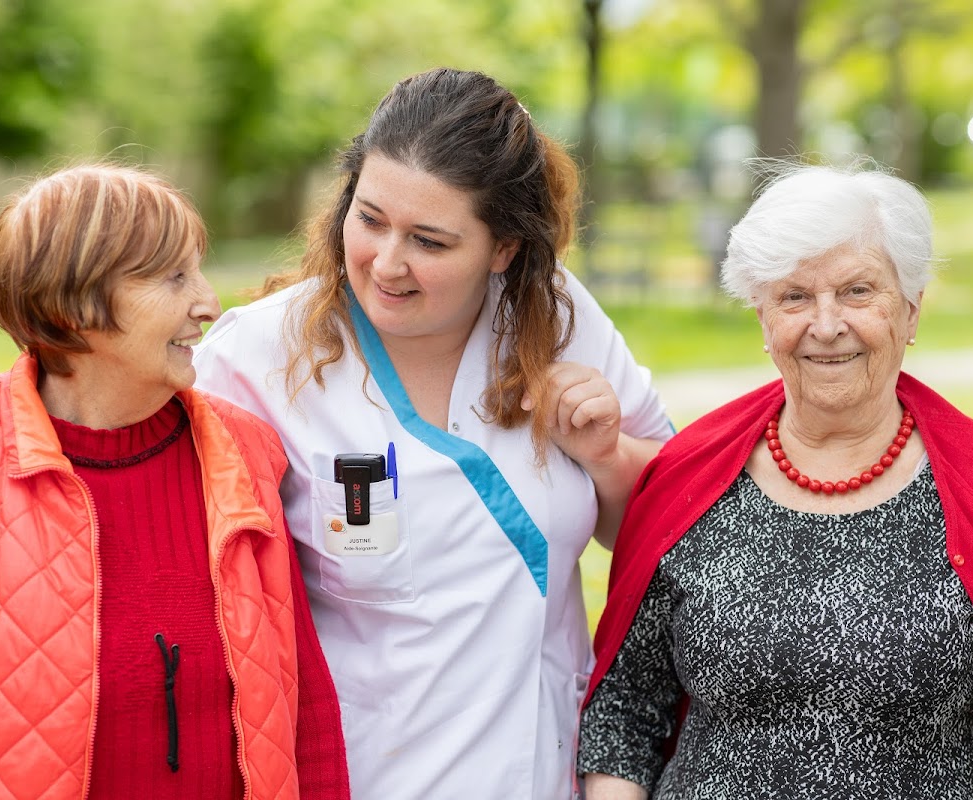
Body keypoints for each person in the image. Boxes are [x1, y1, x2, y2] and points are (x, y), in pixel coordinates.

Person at [193, 67, 675, 799]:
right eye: (370, 219)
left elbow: (664, 528)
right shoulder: (256, 359)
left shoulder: (554, 318)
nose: (388, 264)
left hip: (541, 772)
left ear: (504, 248)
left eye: (430, 241)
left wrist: (608, 455)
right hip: (365, 775)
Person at [576, 162, 973, 799]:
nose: (827, 325)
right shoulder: (688, 479)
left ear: (911, 312)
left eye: (858, 292)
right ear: (763, 318)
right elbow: (625, 715)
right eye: (794, 297)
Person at [0, 163, 350, 800]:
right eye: (173, 277)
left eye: (198, 271)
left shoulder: (247, 454)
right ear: (70, 305)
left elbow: (303, 712)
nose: (209, 304)